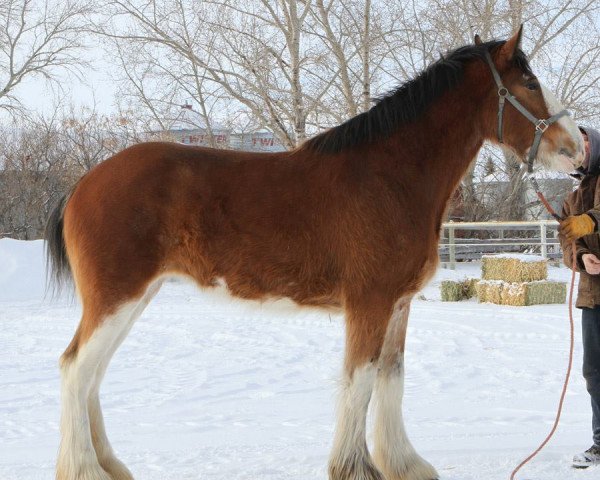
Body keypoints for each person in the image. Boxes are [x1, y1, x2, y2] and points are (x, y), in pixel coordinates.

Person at [559, 126, 600, 468]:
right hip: (593, 296)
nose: (576, 151)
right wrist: (581, 257)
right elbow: (566, 243)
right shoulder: (572, 198)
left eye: (580, 144)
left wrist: (588, 223)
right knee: (594, 370)